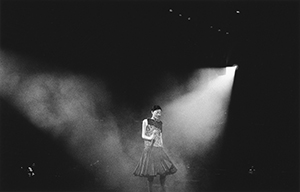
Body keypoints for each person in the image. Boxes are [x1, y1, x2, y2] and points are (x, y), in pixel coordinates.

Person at [133, 105, 177, 192]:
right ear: (152, 112)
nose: (159, 114)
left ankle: (163, 189)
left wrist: (162, 145)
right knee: (150, 173)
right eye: (157, 112)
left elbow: (160, 136)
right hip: (149, 148)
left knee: (163, 172)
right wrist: (151, 137)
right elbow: (143, 135)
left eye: (160, 113)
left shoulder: (160, 123)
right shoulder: (146, 121)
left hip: (158, 148)